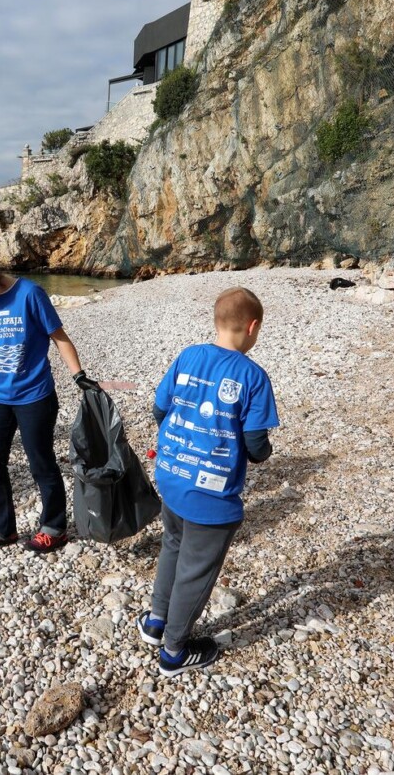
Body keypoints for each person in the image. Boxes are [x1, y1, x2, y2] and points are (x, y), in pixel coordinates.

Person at [136, 287, 279, 676]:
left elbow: (159, 409)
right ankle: (174, 650)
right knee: (197, 569)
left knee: (173, 544)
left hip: (171, 476)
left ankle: (156, 622)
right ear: (252, 327)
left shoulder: (189, 355)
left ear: (217, 322)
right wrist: (262, 452)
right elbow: (255, 444)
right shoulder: (253, 376)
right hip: (210, 496)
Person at [0, 237, 98, 555]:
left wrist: (79, 376)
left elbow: (59, 337)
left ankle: (53, 528)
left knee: (41, 463)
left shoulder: (30, 294)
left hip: (34, 396)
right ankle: (1, 530)